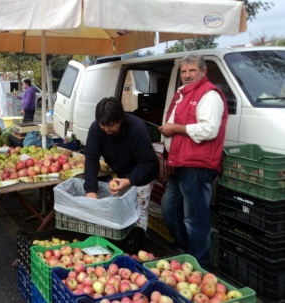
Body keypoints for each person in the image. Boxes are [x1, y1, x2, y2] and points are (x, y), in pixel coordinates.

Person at [159, 53, 227, 269]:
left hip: (198, 165)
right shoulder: (182, 93)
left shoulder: (209, 94)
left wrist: (175, 129)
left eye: (192, 71)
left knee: (195, 217)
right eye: (184, 71)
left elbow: (209, 129)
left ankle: (200, 265)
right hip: (179, 162)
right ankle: (185, 250)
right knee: (169, 208)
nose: (187, 75)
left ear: (203, 71)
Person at [83, 97, 159, 230]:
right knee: (118, 212)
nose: (106, 129)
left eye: (110, 125)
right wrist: (90, 191)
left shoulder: (137, 128)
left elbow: (148, 164)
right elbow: (91, 159)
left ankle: (137, 243)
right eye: (103, 125)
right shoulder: (96, 129)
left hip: (142, 174)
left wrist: (129, 180)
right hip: (120, 173)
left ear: (120, 119)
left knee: (137, 214)